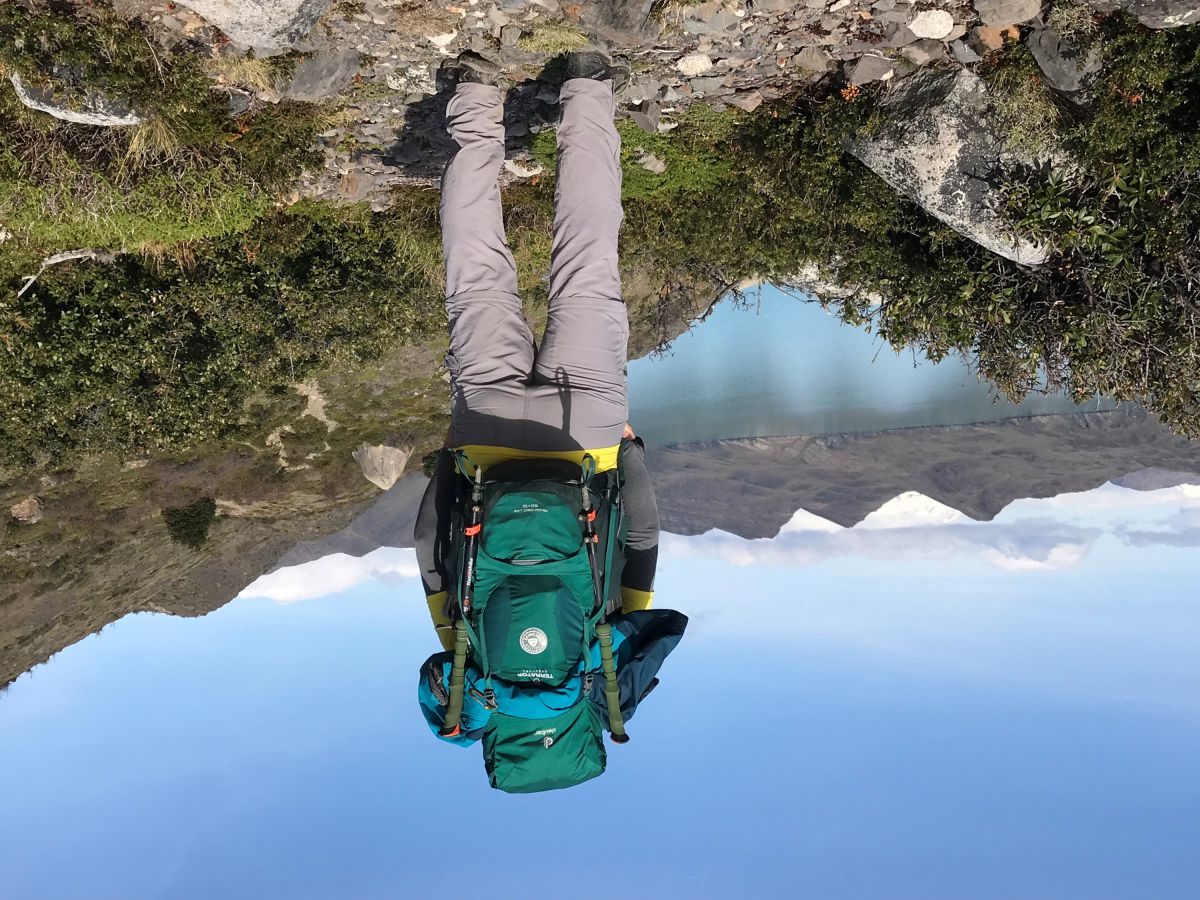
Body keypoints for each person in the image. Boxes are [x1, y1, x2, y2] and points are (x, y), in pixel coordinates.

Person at [413, 50, 687, 793]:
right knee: (475, 271)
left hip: (588, 431)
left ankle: (589, 85)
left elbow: (641, 542)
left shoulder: (605, 673)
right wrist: (452, 454)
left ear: (586, 739)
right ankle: (476, 96)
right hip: (486, 436)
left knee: (589, 259)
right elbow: (429, 545)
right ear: (496, 744)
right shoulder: (470, 669)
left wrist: (629, 452)